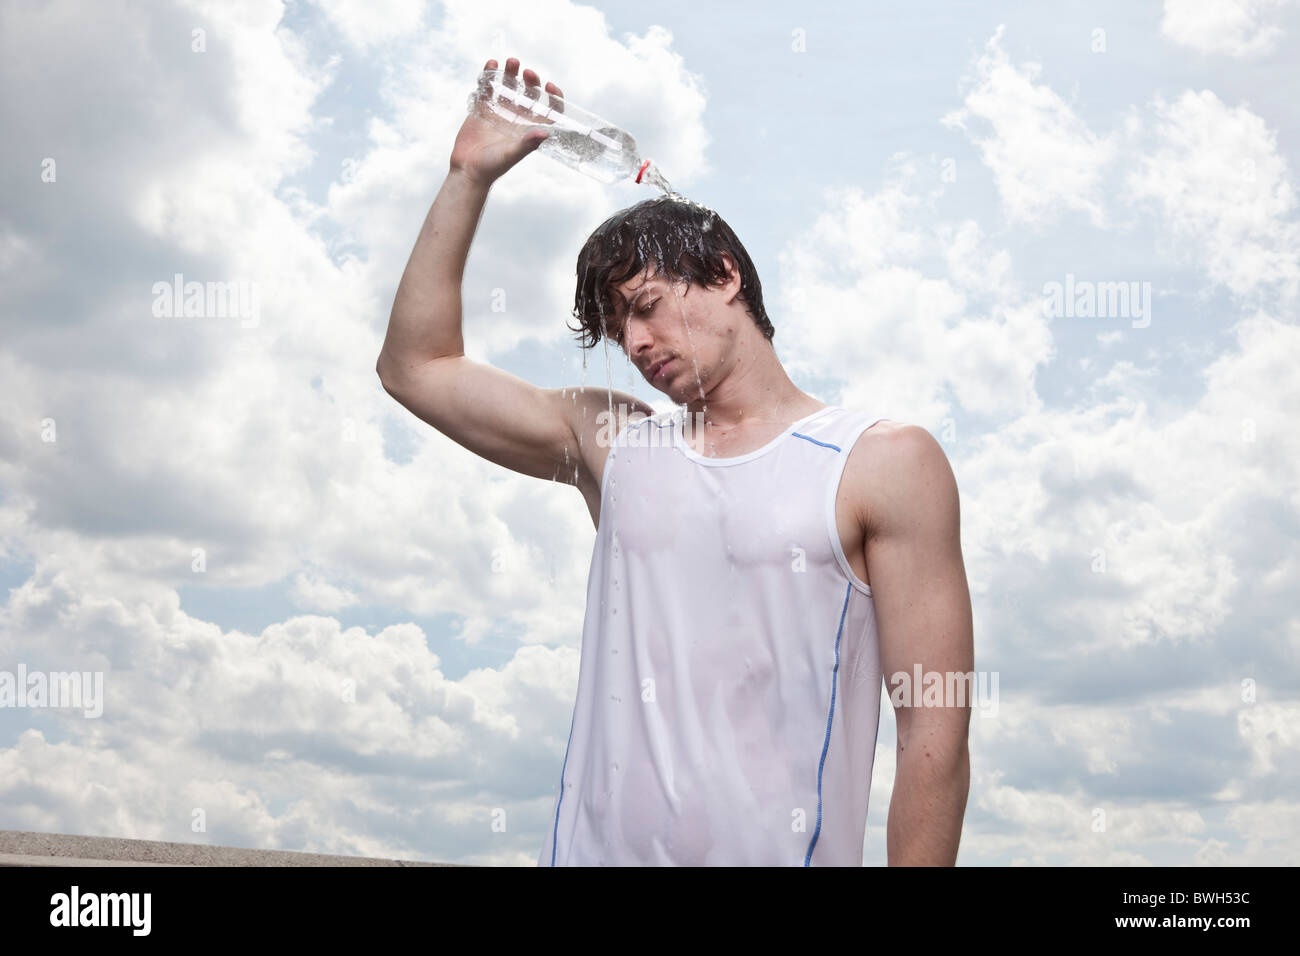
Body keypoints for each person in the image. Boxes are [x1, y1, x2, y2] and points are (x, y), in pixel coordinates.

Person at [377, 57, 973, 866]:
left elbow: (933, 730)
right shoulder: (616, 444)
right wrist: (467, 175)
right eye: (618, 328)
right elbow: (416, 367)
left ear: (725, 275)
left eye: (646, 307)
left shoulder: (879, 461)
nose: (635, 343)